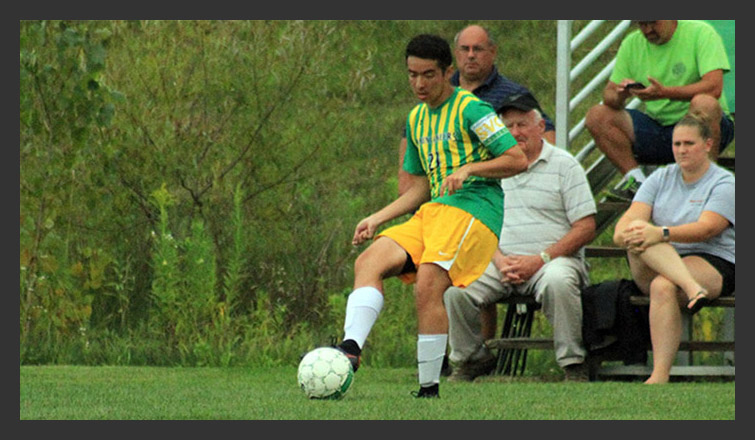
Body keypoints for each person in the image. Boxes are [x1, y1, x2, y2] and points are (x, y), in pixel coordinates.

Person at [335, 34, 527, 398]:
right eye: (412, 75)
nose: (419, 84)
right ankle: (350, 351)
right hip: (434, 210)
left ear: (448, 73)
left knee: (428, 283)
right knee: (370, 260)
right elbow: (421, 187)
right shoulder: (416, 119)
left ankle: (428, 387)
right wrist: (378, 217)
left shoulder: (473, 110)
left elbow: (517, 159)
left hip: (474, 211)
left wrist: (471, 168)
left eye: (428, 75)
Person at [443, 93, 597, 382]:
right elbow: (476, 223)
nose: (515, 132)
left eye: (523, 124)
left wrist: (540, 260)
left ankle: (573, 363)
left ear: (540, 127)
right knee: (455, 287)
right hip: (498, 260)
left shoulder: (565, 165)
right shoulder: (491, 167)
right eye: (508, 126)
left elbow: (586, 227)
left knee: (558, 281)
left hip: (552, 260)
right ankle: (472, 359)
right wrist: (499, 260)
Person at [613, 114, 735, 384]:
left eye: (689, 143)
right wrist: (638, 233)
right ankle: (691, 288)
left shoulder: (724, 183)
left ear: (707, 144)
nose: (681, 150)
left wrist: (661, 232)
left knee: (662, 285)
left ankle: (659, 375)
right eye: (676, 143)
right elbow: (622, 229)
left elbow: (707, 228)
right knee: (638, 235)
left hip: (712, 259)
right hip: (662, 260)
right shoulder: (660, 177)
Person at [397, 24, 555, 197]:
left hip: (495, 194)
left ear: (493, 52)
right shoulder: (422, 111)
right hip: (440, 200)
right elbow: (412, 161)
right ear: (456, 54)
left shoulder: (511, 96)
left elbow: (544, 137)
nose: (471, 55)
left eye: (477, 49)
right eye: (465, 49)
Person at [585, 20, 734, 201]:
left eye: (653, 23)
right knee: (597, 115)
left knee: (705, 103)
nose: (648, 30)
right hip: (658, 128)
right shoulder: (631, 43)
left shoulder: (701, 32)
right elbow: (609, 94)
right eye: (642, 24)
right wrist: (621, 94)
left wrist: (665, 93)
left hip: (705, 127)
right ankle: (637, 183)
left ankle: (705, 182)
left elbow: (714, 87)